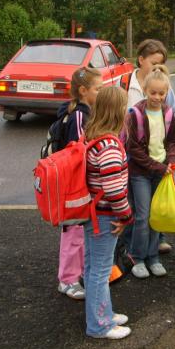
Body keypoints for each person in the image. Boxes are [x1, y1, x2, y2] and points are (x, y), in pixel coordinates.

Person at [82, 86, 133, 340]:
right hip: (105, 216)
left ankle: (102, 314)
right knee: (101, 271)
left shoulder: (92, 135)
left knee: (93, 267)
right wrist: (125, 216)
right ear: (118, 111)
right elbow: (114, 190)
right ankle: (99, 325)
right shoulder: (110, 145)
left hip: (92, 214)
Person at [122, 39, 175, 254]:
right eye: (153, 64)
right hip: (136, 165)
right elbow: (132, 144)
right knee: (140, 213)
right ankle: (134, 254)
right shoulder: (127, 86)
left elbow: (171, 138)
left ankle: (152, 254)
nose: (157, 97)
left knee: (155, 213)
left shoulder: (167, 107)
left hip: (161, 169)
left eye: (161, 94)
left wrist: (171, 162)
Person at [56, 67, 102, 300]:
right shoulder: (79, 116)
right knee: (73, 232)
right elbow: (77, 152)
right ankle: (67, 280)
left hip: (75, 182)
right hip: (74, 183)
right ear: (84, 91)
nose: (100, 92)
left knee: (78, 231)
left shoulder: (78, 112)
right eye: (98, 89)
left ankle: (77, 273)